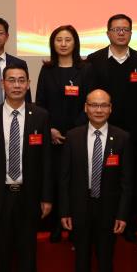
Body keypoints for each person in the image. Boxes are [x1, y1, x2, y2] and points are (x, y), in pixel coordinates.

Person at [0, 65, 53, 272]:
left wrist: (46, 197)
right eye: (11, 80)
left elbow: (46, 160)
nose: (17, 85)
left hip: (28, 195)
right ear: (2, 84)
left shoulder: (40, 116)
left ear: (28, 84)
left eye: (22, 80)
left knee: (27, 253)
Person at [59, 89, 133, 272]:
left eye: (103, 105)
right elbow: (64, 179)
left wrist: (122, 214)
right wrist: (65, 211)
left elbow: (127, 182)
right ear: (85, 108)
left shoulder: (122, 137)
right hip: (80, 208)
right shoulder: (73, 136)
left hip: (109, 210)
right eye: (93, 105)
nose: (98, 110)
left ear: (110, 109)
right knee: (81, 260)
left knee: (106, 261)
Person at [85, 14, 137, 243]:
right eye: (116, 29)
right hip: (102, 130)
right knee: (102, 178)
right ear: (108, 33)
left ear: (131, 33)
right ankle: (99, 221)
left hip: (132, 134)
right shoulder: (94, 60)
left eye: (125, 29)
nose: (121, 33)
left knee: (129, 178)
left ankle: (128, 221)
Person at [35, 24, 92, 242]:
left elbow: (89, 103)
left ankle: (76, 223)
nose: (63, 44)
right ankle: (56, 224)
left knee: (75, 181)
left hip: (79, 135)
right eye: (59, 40)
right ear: (53, 44)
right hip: (53, 137)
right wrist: (49, 129)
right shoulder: (47, 70)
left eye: (68, 40)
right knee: (56, 178)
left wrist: (74, 131)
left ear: (75, 43)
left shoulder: (85, 69)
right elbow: (40, 103)